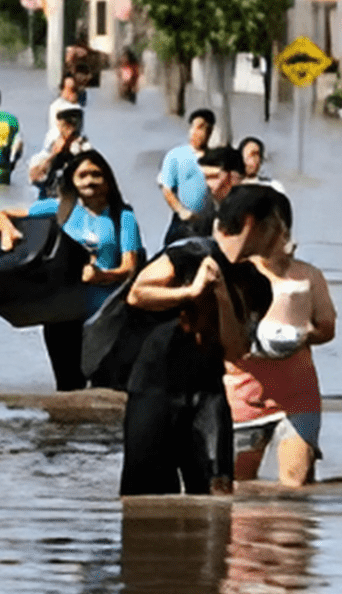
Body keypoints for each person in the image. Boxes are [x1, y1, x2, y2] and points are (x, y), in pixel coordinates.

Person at [120, 183, 284, 497]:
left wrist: (221, 293)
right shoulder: (188, 252)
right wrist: (191, 292)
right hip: (154, 388)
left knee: (216, 492)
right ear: (251, 223)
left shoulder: (257, 284)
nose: (281, 236)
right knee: (145, 498)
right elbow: (137, 294)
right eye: (276, 226)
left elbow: (237, 351)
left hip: (208, 392)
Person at [0, 151, 143, 392]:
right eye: (83, 175)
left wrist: (102, 276)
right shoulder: (58, 209)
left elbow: (130, 267)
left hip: (105, 315)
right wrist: (7, 231)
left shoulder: (122, 216)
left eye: (97, 174)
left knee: (105, 386)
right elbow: (2, 214)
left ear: (108, 180)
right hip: (61, 313)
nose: (90, 180)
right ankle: (64, 430)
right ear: (72, 180)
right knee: (67, 388)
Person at [226, 194, 336, 487]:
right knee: (238, 488)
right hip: (243, 395)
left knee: (296, 486)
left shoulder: (308, 276)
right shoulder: (235, 274)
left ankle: (290, 533)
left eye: (280, 227)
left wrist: (305, 336)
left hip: (298, 395)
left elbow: (327, 328)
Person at [158, 107, 216, 246]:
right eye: (198, 127)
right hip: (184, 222)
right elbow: (167, 189)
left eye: (206, 129)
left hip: (210, 223)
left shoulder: (216, 158)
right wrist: (182, 211)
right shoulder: (176, 156)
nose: (201, 133)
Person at [28, 108, 91, 199]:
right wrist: (53, 155)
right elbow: (34, 177)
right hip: (48, 204)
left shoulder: (83, 151)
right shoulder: (43, 155)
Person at [43, 74, 84, 150]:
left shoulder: (78, 108)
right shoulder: (55, 106)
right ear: (62, 90)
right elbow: (54, 128)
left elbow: (79, 130)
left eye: (73, 90)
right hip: (56, 141)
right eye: (67, 90)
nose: (71, 94)